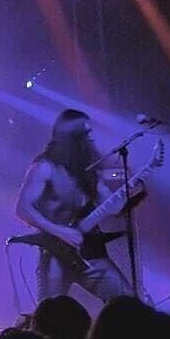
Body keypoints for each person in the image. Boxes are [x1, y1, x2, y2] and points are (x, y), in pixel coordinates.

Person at [16, 109, 135, 302]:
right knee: (49, 316)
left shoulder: (89, 171)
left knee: (128, 303)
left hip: (91, 252)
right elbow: (22, 209)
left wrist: (125, 198)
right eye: (86, 133)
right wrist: (60, 232)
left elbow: (112, 205)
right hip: (56, 254)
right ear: (71, 137)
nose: (91, 137)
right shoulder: (45, 166)